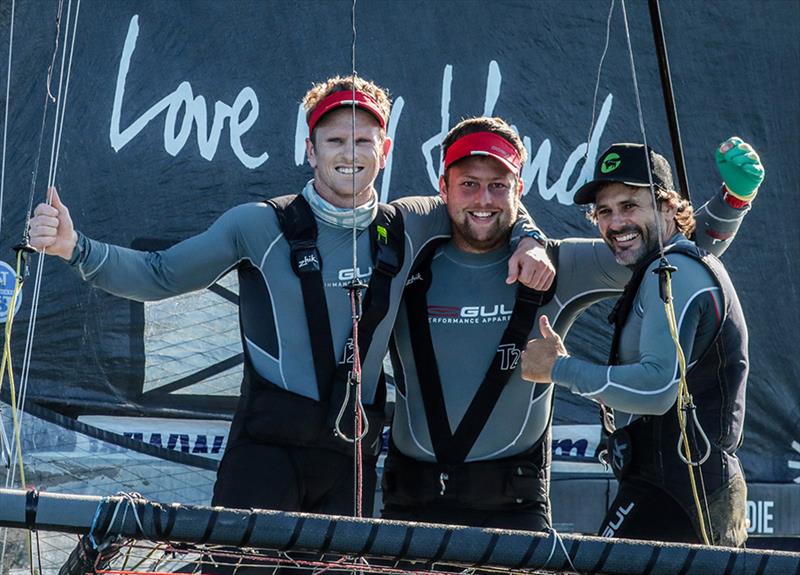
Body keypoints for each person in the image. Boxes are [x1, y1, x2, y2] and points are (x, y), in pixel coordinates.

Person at [27, 77, 551, 549]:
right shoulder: (258, 225)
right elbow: (159, 274)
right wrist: (76, 248)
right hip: (265, 451)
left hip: (351, 461)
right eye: (335, 140)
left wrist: (529, 237)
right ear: (310, 149)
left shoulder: (410, 223)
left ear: (385, 150)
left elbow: (488, 202)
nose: (351, 153)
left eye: (364, 140)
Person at [381, 117, 759, 532]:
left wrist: (733, 201)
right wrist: (528, 233)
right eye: (468, 183)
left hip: (512, 507)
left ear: (519, 190)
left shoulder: (561, 266)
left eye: (499, 185)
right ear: (443, 187)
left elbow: (672, 250)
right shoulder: (408, 253)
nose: (484, 199)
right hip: (408, 499)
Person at [521, 139, 763, 546]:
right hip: (673, 487)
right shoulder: (665, 265)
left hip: (681, 492)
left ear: (669, 207)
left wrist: (558, 369)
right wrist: (733, 201)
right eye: (604, 211)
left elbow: (656, 389)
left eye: (630, 206)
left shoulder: (673, 271)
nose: (615, 223)